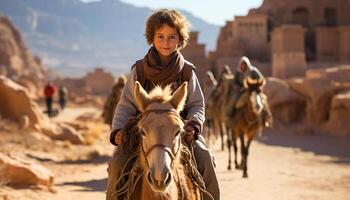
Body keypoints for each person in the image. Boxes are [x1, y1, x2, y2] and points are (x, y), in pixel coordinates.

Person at [106, 9, 220, 200]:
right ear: (152, 38)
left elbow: (197, 104)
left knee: (205, 159)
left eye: (171, 37)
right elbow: (126, 104)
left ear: (180, 39)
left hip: (179, 133)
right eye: (160, 36)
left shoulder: (186, 71)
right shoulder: (139, 70)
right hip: (144, 133)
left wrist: (193, 125)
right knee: (118, 165)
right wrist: (118, 130)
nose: (165, 42)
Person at [226, 56, 272, 127]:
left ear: (247, 64)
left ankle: (266, 119)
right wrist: (239, 88)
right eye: (242, 64)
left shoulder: (253, 71)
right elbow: (234, 83)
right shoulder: (239, 73)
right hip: (242, 91)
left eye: (244, 64)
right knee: (234, 99)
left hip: (254, 90)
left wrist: (259, 86)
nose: (243, 66)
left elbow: (261, 79)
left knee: (263, 101)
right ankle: (229, 116)